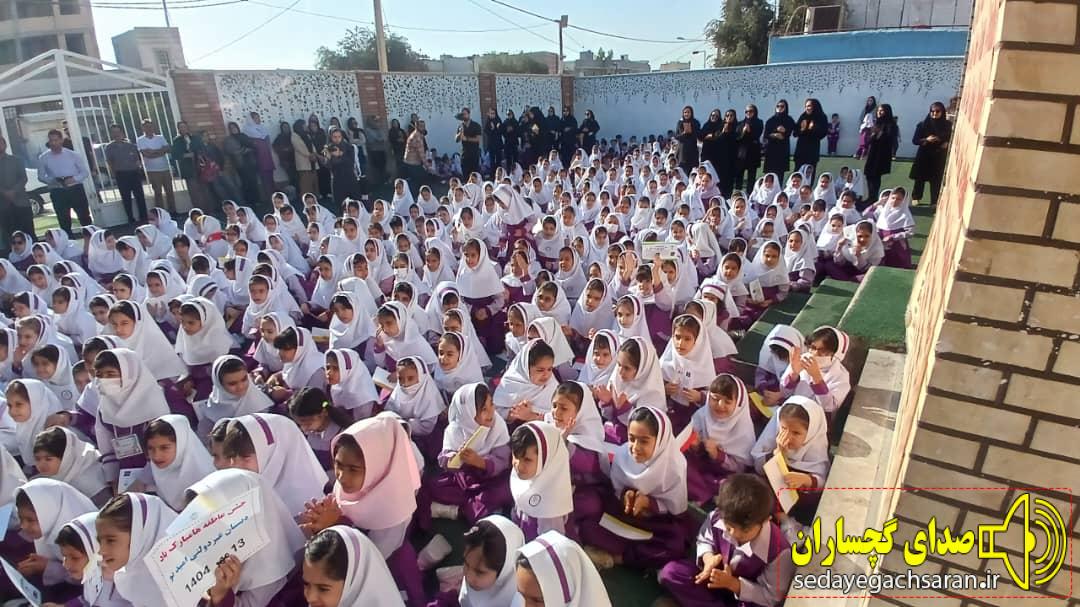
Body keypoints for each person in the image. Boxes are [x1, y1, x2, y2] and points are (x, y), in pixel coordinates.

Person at [37, 129, 93, 237]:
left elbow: (84, 172)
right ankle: (68, 242)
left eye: (56, 140)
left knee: (84, 217)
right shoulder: (43, 157)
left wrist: (74, 179)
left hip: (75, 188)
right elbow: (41, 176)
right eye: (51, 140)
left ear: (61, 140)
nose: (53, 143)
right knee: (64, 221)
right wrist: (52, 180)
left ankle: (91, 239)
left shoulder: (73, 155)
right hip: (58, 191)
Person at [910, 101, 952, 206]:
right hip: (924, 155)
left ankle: (934, 201)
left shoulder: (947, 125)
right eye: (932, 111)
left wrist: (947, 143)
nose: (934, 113)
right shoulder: (922, 125)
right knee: (920, 178)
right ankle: (916, 197)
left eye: (937, 111)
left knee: (936, 180)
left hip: (938, 156)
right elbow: (915, 140)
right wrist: (926, 139)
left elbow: (952, 138)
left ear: (942, 112)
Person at [104, 124, 147, 225]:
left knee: (140, 196)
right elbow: (109, 161)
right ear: (111, 134)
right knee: (126, 198)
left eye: (118, 132)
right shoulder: (109, 147)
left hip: (134, 173)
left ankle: (144, 217)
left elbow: (137, 159)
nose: (116, 134)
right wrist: (112, 173)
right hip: (121, 174)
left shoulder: (131, 146)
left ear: (122, 133)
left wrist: (139, 168)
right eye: (114, 132)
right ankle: (130, 218)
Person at [135, 118, 175, 214]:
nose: (149, 129)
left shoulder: (160, 137)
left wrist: (153, 151)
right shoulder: (140, 140)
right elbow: (146, 154)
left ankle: (173, 211)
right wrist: (160, 151)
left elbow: (167, 149)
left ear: (153, 127)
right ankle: (160, 213)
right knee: (158, 193)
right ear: (143, 128)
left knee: (169, 191)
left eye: (150, 126)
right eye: (146, 127)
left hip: (165, 168)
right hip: (152, 170)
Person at [0, 135, 35, 245]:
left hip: (21, 202)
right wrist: (4, 192)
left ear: (5, 144)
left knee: (29, 234)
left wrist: (14, 191)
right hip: (3, 206)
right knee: (9, 237)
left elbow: (23, 178)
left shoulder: (16, 160)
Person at [863, 103, 899, 199]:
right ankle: (871, 196)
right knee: (869, 174)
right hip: (873, 152)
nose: (879, 112)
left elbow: (890, 139)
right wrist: (873, 134)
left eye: (882, 110)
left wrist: (879, 134)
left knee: (876, 175)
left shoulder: (891, 124)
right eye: (878, 110)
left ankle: (873, 197)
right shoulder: (876, 123)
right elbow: (870, 140)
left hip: (882, 154)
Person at [170, 120, 208, 213]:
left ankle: (208, 211)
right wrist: (184, 155)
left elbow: (203, 149)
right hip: (188, 170)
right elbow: (174, 155)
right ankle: (199, 212)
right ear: (178, 129)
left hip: (200, 168)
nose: (183, 129)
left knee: (204, 190)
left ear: (187, 127)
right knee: (194, 192)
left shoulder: (195, 138)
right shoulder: (177, 141)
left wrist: (197, 154)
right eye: (181, 127)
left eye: (184, 127)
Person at [224, 121, 261, 207]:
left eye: (235, 127)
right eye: (231, 128)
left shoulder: (244, 136)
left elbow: (253, 145)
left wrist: (250, 149)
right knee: (245, 182)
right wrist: (243, 151)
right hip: (240, 163)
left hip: (250, 162)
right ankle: (249, 201)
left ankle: (257, 200)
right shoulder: (229, 139)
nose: (234, 129)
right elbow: (229, 151)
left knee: (253, 181)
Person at [762, 100, 795, 183]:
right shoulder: (771, 120)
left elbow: (793, 132)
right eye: (778, 106)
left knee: (780, 173)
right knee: (769, 173)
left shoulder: (789, 119)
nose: (779, 108)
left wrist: (785, 131)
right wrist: (774, 134)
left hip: (782, 150)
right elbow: (766, 135)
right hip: (771, 150)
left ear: (786, 108)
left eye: (782, 106)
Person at [793, 98, 828, 175]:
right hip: (800, 149)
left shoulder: (821, 117)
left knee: (809, 173)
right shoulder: (803, 116)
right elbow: (795, 133)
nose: (807, 108)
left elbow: (823, 132)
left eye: (809, 106)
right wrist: (802, 129)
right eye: (806, 106)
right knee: (797, 172)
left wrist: (813, 128)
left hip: (812, 150)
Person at [735, 104, 763, 191]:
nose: (748, 113)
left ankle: (749, 194)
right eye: (746, 111)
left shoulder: (759, 122)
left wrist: (750, 130)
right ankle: (738, 194)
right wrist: (743, 131)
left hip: (753, 153)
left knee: (751, 177)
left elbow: (757, 135)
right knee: (739, 176)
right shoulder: (740, 123)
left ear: (755, 112)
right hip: (741, 154)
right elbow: (737, 137)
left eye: (751, 111)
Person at [457, 108, 483, 179]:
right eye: (462, 114)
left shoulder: (476, 125)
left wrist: (467, 139)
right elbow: (456, 140)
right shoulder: (460, 126)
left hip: (474, 154)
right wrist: (460, 133)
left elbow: (478, 139)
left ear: (469, 114)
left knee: (475, 175)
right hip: (464, 154)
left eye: (465, 114)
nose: (464, 116)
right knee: (466, 175)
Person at [675, 106, 701, 173]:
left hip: (692, 151)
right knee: (682, 172)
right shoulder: (680, 123)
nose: (686, 114)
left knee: (692, 172)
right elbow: (677, 136)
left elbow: (699, 135)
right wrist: (684, 133)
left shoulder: (696, 123)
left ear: (691, 113)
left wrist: (691, 130)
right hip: (682, 151)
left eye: (688, 112)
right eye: (685, 112)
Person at [272, 120, 297, 191]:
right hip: (286, 161)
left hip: (296, 159)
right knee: (292, 177)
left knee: (298, 177)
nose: (286, 128)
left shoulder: (293, 135)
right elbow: (274, 146)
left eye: (287, 127)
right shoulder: (279, 137)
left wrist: (291, 148)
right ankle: (294, 193)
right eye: (284, 127)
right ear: (282, 128)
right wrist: (283, 150)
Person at [404, 119, 428, 185]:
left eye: (424, 126)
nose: (423, 128)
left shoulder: (415, 134)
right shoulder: (417, 137)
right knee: (420, 181)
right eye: (421, 126)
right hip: (413, 163)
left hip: (410, 162)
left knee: (415, 181)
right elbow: (421, 154)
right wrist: (428, 167)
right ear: (417, 127)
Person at [484, 107, 503, 173]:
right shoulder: (488, 121)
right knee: (492, 160)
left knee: (498, 160)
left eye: (493, 113)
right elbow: (486, 131)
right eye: (491, 113)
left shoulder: (498, 120)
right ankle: (493, 174)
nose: (492, 115)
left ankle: (500, 173)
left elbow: (501, 131)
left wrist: (497, 128)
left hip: (498, 144)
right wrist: (492, 129)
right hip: (491, 144)